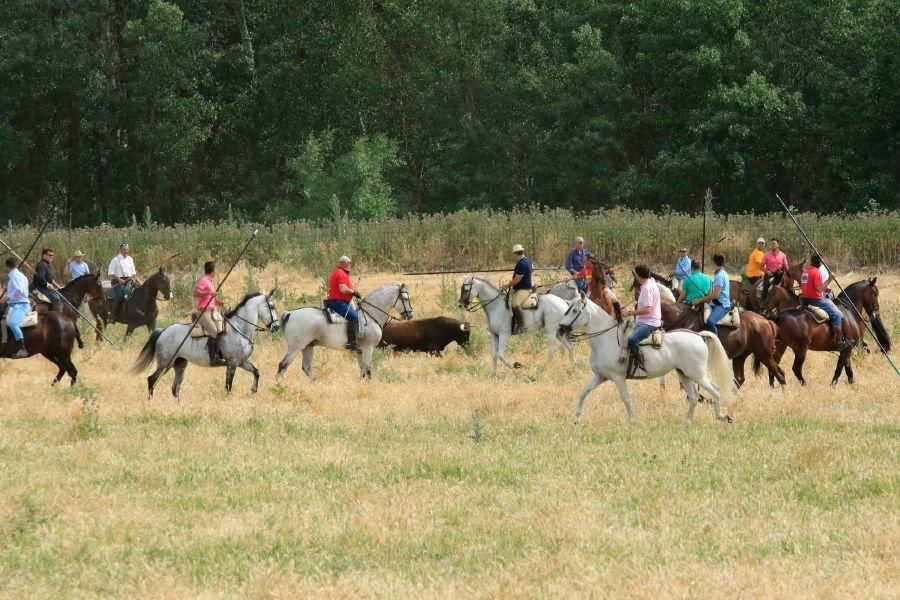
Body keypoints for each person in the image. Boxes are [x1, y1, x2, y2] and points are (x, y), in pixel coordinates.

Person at [801, 255, 851, 349]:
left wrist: (825, 289)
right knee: (836, 315)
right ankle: (838, 341)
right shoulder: (816, 272)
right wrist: (830, 279)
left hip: (804, 300)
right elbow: (819, 289)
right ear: (820, 263)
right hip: (816, 301)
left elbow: (809, 286)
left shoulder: (805, 272)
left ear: (811, 262)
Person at [621, 264, 661, 375]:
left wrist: (629, 312)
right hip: (645, 321)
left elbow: (647, 310)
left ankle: (641, 366)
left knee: (632, 339)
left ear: (638, 276)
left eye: (636, 275)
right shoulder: (649, 284)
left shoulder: (647, 288)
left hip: (649, 323)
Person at [325, 255, 362, 352]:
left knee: (356, 313)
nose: (350, 264)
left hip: (341, 301)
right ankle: (351, 342)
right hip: (337, 302)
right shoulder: (340, 273)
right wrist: (353, 292)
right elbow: (343, 289)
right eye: (349, 262)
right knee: (354, 317)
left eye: (350, 263)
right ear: (343, 263)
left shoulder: (340, 272)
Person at [193, 261, 226, 366]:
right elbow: (195, 293)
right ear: (213, 271)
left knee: (221, 329)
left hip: (212, 311)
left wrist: (218, 302)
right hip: (203, 312)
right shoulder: (203, 280)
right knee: (214, 330)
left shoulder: (211, 281)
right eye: (215, 270)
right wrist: (209, 292)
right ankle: (212, 359)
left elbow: (210, 298)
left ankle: (218, 353)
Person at [692, 254, 731, 335]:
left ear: (714, 263)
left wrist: (699, 300)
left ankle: (715, 341)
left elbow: (716, 295)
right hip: (714, 303)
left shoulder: (720, 275)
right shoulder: (720, 273)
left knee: (710, 321)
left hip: (722, 305)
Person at [500, 244, 533, 334]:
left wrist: (507, 286)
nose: (513, 256)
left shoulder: (522, 263)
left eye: (513, 254)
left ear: (515, 254)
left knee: (515, 303)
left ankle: (522, 326)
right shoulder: (527, 260)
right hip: (522, 287)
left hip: (524, 289)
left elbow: (517, 279)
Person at [4, 257, 30, 357]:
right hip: (15, 304)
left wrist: (7, 298)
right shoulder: (19, 275)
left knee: (12, 323)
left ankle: (22, 348)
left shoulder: (15, 276)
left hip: (20, 305)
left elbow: (19, 291)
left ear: (6, 266)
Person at [108, 242, 136, 323]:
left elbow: (133, 270)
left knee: (137, 291)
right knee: (120, 296)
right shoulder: (115, 260)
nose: (126, 251)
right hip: (118, 281)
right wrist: (119, 280)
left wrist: (133, 274)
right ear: (120, 250)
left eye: (127, 249)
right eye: (124, 249)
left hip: (129, 280)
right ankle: (112, 316)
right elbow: (110, 273)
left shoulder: (130, 259)